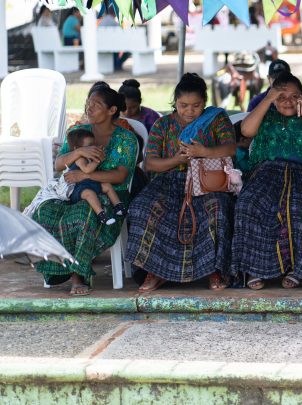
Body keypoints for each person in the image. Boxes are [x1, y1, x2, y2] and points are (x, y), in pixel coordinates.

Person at [126, 73, 236, 293]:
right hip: (168, 180)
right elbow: (149, 164)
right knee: (144, 208)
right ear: (174, 102)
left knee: (217, 209)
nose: (189, 111)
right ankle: (154, 270)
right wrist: (176, 160)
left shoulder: (216, 119)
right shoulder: (163, 124)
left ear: (204, 103)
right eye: (183, 105)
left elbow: (230, 148)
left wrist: (203, 152)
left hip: (206, 182)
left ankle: (213, 270)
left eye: (196, 105)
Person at [29, 86, 137, 296]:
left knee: (84, 214)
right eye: (88, 103)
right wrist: (78, 152)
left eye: (96, 105)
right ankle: (58, 268)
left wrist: (86, 175)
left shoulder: (126, 139)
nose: (89, 107)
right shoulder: (76, 133)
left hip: (110, 194)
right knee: (45, 210)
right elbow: (60, 164)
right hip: (73, 190)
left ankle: (78, 275)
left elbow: (120, 175)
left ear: (112, 110)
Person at [230, 72, 302, 289]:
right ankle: (254, 269)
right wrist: (268, 99)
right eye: (281, 97)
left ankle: (298, 270)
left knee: (298, 206)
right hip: (266, 172)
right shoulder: (266, 114)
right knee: (250, 203)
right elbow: (246, 130)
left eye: (294, 96)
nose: (287, 101)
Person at [63, 127, 127, 226]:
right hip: (79, 188)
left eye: (94, 145)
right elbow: (87, 170)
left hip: (90, 183)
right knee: (90, 194)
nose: (94, 148)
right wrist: (98, 160)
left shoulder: (89, 157)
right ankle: (102, 215)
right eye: (89, 146)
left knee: (107, 185)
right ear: (77, 149)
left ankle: (118, 206)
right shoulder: (79, 159)